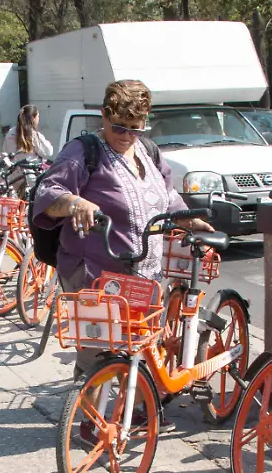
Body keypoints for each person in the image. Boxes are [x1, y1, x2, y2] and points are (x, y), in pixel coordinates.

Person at [31, 79, 212, 432]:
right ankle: (92, 423)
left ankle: (140, 409)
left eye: (135, 127)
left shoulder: (149, 152)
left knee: (142, 341)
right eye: (119, 127)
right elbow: (49, 191)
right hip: (95, 271)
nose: (128, 134)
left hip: (143, 270)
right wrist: (74, 202)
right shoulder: (84, 151)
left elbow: (167, 196)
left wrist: (188, 218)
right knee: (98, 351)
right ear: (104, 114)